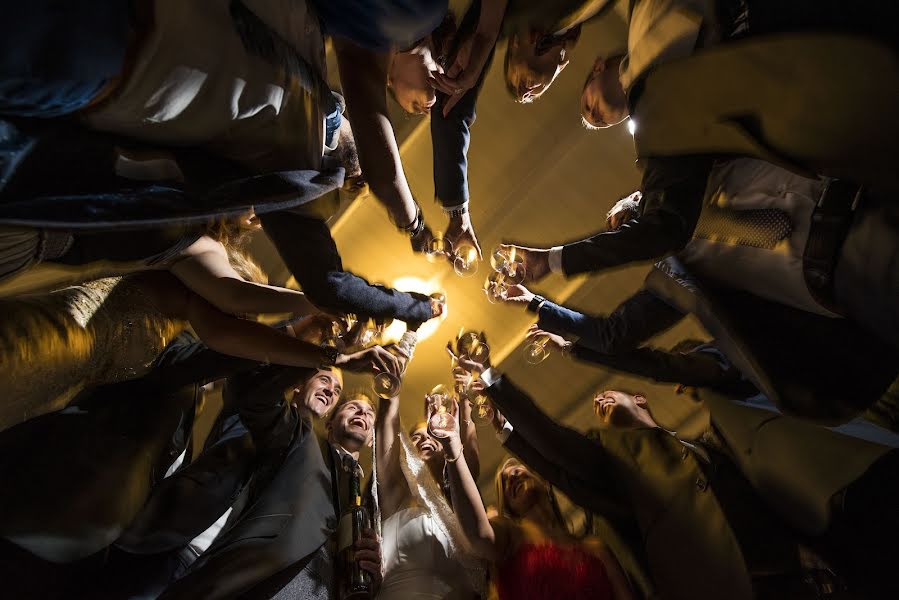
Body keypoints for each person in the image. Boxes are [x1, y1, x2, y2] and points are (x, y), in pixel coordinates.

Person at [452, 349, 899, 598]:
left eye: (609, 395)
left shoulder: (712, 443)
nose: (599, 403)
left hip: (823, 565)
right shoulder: (624, 472)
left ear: (641, 401)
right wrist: (494, 385)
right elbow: (559, 450)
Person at [115, 353, 391, 599]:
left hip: (222, 576)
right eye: (324, 379)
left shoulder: (336, 485)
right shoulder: (262, 410)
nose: (330, 390)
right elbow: (251, 388)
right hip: (167, 543)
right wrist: (327, 353)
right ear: (299, 383)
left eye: (337, 390)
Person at [426, 398, 634, 600]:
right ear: (507, 505)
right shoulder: (509, 537)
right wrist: (453, 449)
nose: (512, 475)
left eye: (517, 468)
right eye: (504, 482)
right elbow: (477, 534)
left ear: (543, 481)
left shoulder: (595, 548)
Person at [372, 335, 482, 599]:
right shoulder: (395, 496)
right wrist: (392, 387)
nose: (422, 439)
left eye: (428, 434)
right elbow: (387, 424)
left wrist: (464, 402)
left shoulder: (458, 505)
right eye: (415, 437)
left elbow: (471, 463)